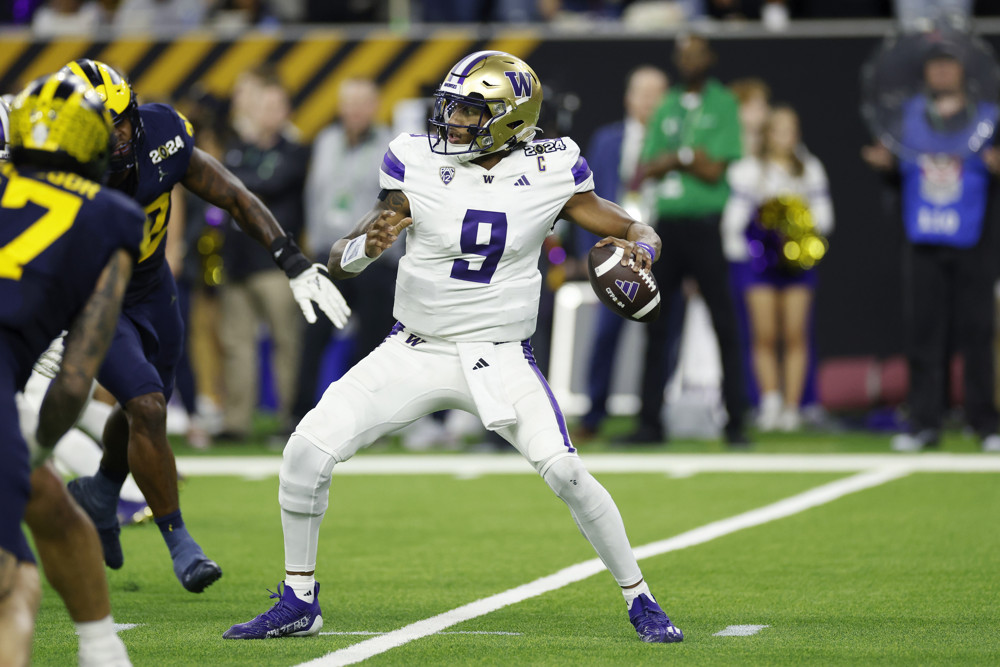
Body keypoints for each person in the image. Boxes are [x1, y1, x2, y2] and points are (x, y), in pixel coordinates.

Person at [224, 51, 683, 644]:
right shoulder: (415, 159)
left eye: (470, 111)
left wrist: (645, 247)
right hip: (414, 348)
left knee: (567, 471)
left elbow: (630, 227)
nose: (454, 121)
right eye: (453, 108)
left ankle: (640, 599)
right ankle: (299, 599)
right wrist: (369, 243)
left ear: (511, 118)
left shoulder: (552, 166)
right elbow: (341, 256)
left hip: (500, 354)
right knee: (304, 453)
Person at [60, 59, 350, 593]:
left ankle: (102, 489)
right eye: (100, 125)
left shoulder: (162, 136)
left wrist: (288, 257)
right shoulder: (58, 168)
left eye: (120, 121)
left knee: (148, 405)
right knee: (145, 404)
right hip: (94, 299)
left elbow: (233, 194)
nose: (115, 135)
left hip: (150, 289)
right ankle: (179, 541)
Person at [1, 73, 143, 667]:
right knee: (13, 587)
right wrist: (38, 444)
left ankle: (102, 648)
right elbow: (77, 376)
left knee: (49, 504)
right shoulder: (107, 215)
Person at [862, 48, 1000, 452]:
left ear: (961, 71)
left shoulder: (988, 118)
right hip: (922, 239)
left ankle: (985, 423)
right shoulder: (906, 118)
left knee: (977, 333)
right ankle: (924, 422)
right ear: (926, 73)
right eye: (934, 64)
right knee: (923, 334)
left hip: (973, 237)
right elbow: (895, 172)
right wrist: (885, 167)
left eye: (948, 64)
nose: (941, 70)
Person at [627, 33, 748, 445]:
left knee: (724, 324)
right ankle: (649, 423)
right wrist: (689, 157)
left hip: (705, 223)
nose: (690, 60)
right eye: (683, 54)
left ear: (710, 56)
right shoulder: (668, 104)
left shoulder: (723, 103)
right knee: (656, 324)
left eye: (697, 53)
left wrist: (675, 160)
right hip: (668, 227)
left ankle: (737, 423)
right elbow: (648, 165)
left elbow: (715, 171)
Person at [572, 65, 686, 440]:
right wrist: (584, 255)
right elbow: (583, 201)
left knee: (664, 335)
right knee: (606, 334)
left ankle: (653, 414)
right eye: (644, 92)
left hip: (662, 247)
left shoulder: (679, 141)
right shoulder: (607, 140)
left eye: (658, 93)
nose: (650, 101)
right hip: (614, 250)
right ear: (629, 97)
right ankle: (594, 411)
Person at [722, 105, 834, 431]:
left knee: (796, 335)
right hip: (759, 264)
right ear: (767, 134)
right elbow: (733, 222)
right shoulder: (747, 171)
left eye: (792, 130)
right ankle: (769, 402)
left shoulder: (810, 169)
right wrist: (762, 238)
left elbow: (826, 219)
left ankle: (792, 408)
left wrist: (795, 227)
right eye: (780, 130)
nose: (787, 137)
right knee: (765, 336)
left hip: (798, 264)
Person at [292, 77, 395, 421]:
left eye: (362, 102)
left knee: (372, 343)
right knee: (312, 334)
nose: (354, 110)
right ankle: (300, 416)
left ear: (375, 106)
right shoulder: (325, 140)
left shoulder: (391, 145)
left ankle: (363, 417)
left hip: (374, 258)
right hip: (330, 254)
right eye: (349, 102)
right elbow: (314, 195)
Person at [217, 69, 308, 441]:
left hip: (276, 260)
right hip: (236, 258)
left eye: (272, 105)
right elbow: (225, 184)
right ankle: (236, 422)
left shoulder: (296, 150)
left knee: (286, 342)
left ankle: (292, 418)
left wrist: (240, 180)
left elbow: (264, 183)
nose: (265, 113)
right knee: (236, 344)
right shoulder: (239, 147)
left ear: (285, 109)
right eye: (260, 106)